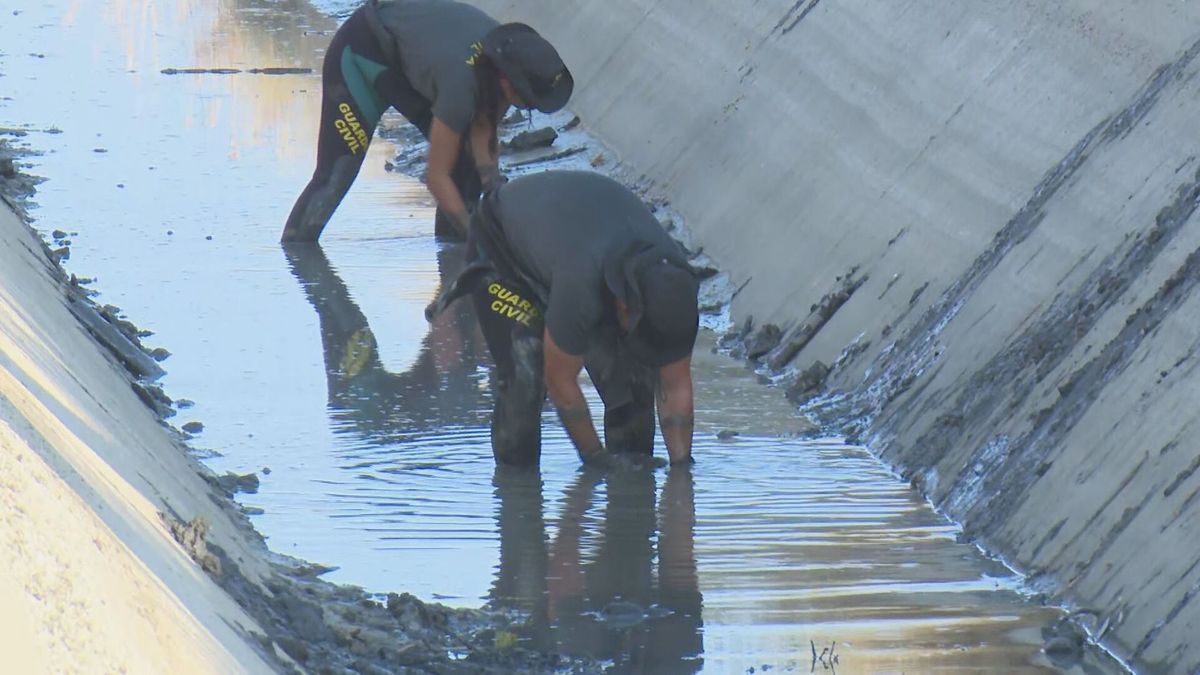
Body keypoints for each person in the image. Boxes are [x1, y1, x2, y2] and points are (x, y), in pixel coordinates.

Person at [427, 170, 701, 468]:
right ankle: (518, 497)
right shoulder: (582, 288)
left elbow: (675, 386)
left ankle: (632, 492)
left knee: (632, 382)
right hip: (503, 248)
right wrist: (596, 461)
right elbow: (560, 381)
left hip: (573, 242)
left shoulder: (676, 287)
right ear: (623, 306)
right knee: (527, 372)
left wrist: (681, 469)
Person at [281, 0, 573, 243]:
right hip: (360, 56)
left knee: (466, 164)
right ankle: (296, 256)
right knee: (336, 176)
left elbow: (483, 129)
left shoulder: (502, 59)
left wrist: (493, 187)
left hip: (409, 64)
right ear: (507, 81)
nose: (530, 106)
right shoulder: (462, 87)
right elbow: (436, 177)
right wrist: (475, 236)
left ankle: (452, 267)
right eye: (529, 100)